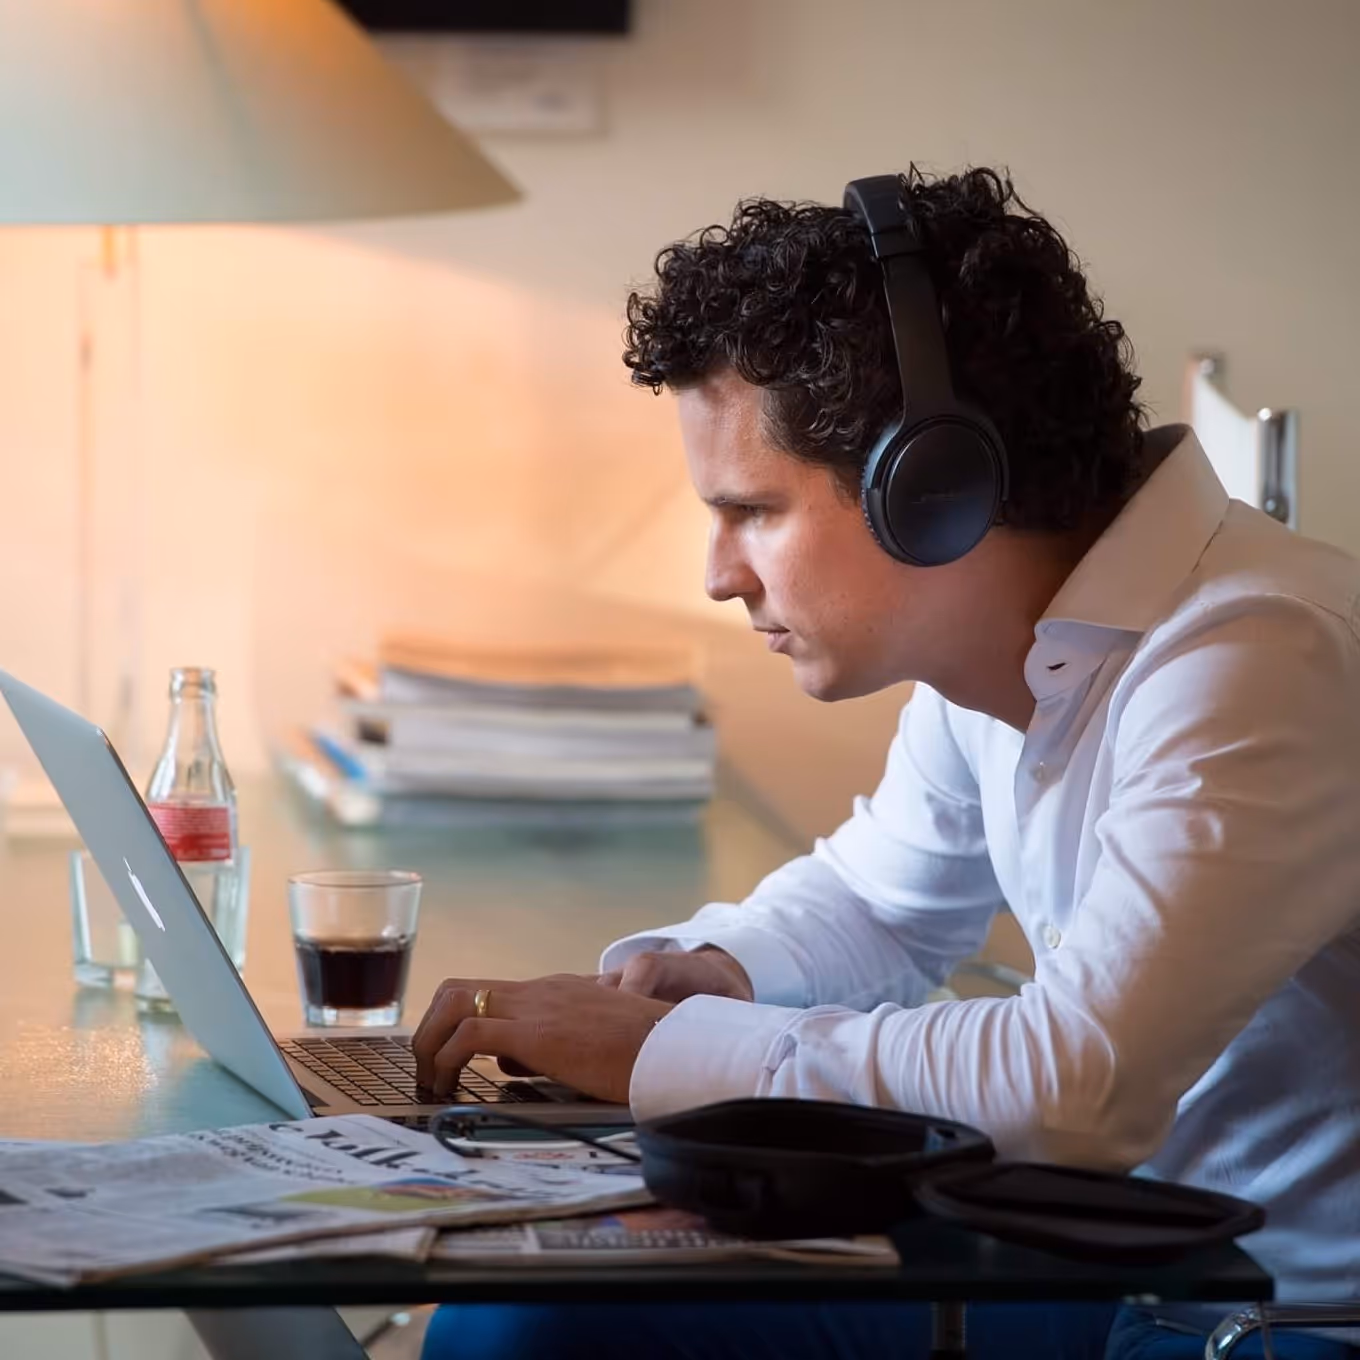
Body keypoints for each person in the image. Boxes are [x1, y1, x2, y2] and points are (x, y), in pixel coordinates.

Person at [414, 166, 1360, 1359]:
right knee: (522, 1324)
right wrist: (706, 974)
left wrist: (663, 1057)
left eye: (751, 510)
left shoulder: (1253, 654)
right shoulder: (1008, 650)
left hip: (1278, 1321)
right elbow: (883, 903)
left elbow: (1071, 1087)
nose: (718, 573)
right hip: (1110, 1263)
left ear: (933, 489)